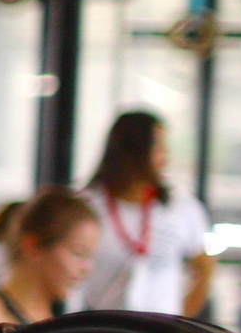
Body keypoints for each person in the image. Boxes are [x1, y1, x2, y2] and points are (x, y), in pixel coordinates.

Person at [76, 111, 212, 317]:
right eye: (158, 147)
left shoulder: (182, 208)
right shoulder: (86, 206)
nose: (165, 158)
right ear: (133, 151)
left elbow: (205, 269)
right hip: (98, 329)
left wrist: (179, 323)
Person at [0, 189, 101, 328]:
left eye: (90, 257)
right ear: (33, 245)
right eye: (78, 253)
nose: (87, 269)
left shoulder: (64, 321)